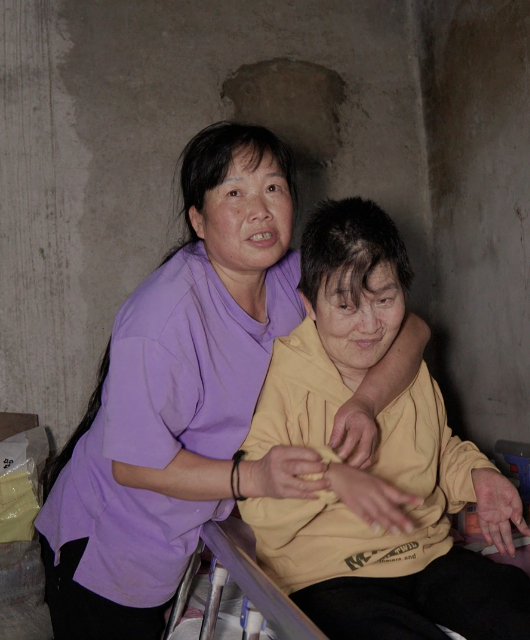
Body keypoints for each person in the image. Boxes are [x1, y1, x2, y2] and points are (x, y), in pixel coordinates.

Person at [35, 123, 430, 640]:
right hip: (110, 546)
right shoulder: (163, 318)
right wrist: (252, 479)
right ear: (198, 220)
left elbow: (414, 329)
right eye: (235, 193)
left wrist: (365, 403)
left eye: (273, 187)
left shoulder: (292, 279)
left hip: (193, 528)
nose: (260, 210)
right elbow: (132, 465)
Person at [238, 197, 530, 640]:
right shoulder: (282, 380)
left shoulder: (406, 367)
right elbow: (258, 506)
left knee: (516, 609)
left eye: (385, 299)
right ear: (309, 304)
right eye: (346, 307)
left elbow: (438, 449)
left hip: (428, 554)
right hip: (326, 573)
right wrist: (331, 478)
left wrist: (477, 476)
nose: (370, 326)